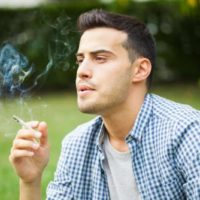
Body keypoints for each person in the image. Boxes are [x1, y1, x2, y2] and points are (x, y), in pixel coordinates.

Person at [9, 9, 200, 200]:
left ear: (140, 70)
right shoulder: (76, 145)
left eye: (100, 58)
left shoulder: (187, 133)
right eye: (80, 60)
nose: (82, 71)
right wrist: (30, 182)